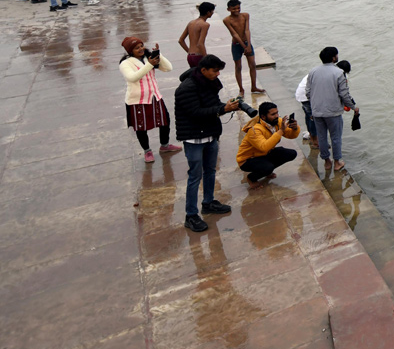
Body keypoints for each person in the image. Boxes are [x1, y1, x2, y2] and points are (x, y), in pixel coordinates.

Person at [173, 54, 241, 232]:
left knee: (210, 171)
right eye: (215, 70)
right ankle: (191, 215)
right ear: (203, 70)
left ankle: (208, 202)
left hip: (210, 135)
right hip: (194, 138)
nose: (218, 74)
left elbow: (212, 105)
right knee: (195, 176)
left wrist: (225, 107)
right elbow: (196, 112)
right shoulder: (186, 88)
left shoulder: (208, 82)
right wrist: (222, 109)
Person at [119, 36, 181, 163]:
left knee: (165, 122)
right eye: (137, 48)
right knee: (141, 127)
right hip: (138, 100)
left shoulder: (148, 58)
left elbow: (168, 68)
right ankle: (147, 151)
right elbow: (132, 77)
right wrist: (149, 64)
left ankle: (164, 145)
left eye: (141, 45)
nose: (141, 49)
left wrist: (159, 55)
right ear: (130, 51)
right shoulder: (125, 63)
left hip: (154, 96)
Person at [305, 46, 358, 170]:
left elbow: (308, 92)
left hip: (317, 111)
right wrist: (353, 107)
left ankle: (327, 161)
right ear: (334, 57)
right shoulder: (339, 73)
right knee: (335, 137)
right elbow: (344, 94)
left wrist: (315, 106)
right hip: (333, 112)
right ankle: (337, 162)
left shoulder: (313, 71)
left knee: (322, 137)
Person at [236, 101, 300, 183]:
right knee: (268, 167)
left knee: (291, 154)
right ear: (263, 116)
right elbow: (264, 148)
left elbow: (291, 135)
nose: (277, 116)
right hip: (248, 160)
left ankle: (266, 171)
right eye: (273, 114)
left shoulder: (277, 121)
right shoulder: (255, 129)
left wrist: (295, 128)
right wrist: (281, 131)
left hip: (264, 154)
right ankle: (251, 178)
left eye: (277, 113)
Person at [222, 0, 264, 96]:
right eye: (234, 9)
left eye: (238, 8)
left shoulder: (245, 15)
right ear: (228, 9)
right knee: (238, 67)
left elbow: (247, 30)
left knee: (252, 65)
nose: (236, 10)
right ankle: (241, 89)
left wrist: (248, 45)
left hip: (247, 43)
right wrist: (244, 46)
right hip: (236, 45)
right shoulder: (227, 20)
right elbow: (234, 34)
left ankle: (253, 86)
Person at [178, 2, 214, 68]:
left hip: (190, 56)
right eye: (212, 11)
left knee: (194, 76)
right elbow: (200, 43)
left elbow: (181, 40)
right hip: (199, 56)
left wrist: (189, 51)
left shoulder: (191, 23)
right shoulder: (205, 25)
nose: (213, 13)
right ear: (208, 12)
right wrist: (206, 58)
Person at [295, 72, 318, 145]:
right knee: (314, 118)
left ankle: (311, 135)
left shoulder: (319, 71)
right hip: (306, 96)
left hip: (302, 94)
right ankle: (314, 141)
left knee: (309, 116)